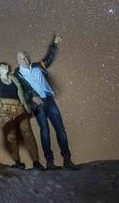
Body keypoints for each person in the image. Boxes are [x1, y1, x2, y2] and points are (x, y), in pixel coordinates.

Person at [14, 34, 78, 170]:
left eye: (27, 57)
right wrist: (31, 97)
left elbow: (48, 59)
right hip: (38, 104)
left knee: (60, 129)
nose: (26, 59)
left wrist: (54, 45)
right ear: (18, 61)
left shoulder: (38, 66)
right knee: (45, 131)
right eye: (22, 58)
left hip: (49, 99)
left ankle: (67, 159)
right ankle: (50, 161)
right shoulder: (17, 75)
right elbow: (19, 91)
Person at [0, 62, 43, 170]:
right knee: (11, 136)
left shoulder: (14, 79)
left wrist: (26, 107)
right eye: (3, 65)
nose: (6, 66)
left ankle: (36, 162)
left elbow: (21, 94)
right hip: (5, 109)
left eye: (6, 65)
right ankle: (17, 162)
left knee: (28, 134)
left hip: (19, 108)